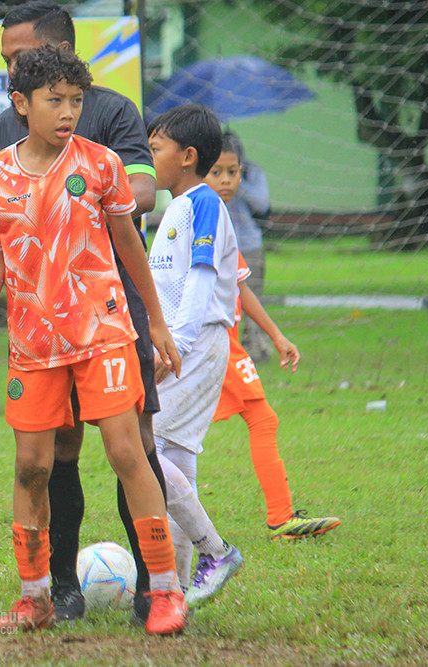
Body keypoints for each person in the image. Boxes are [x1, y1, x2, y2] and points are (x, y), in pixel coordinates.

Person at [0, 45, 187, 636]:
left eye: (76, 100)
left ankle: (168, 591)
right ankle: (35, 599)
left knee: (127, 450)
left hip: (103, 332)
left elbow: (129, 244)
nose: (68, 111)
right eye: (55, 100)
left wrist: (154, 320)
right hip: (33, 347)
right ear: (21, 104)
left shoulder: (100, 164)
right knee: (31, 468)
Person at [0, 0, 165, 625]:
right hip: (38, 330)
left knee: (131, 442)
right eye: (11, 69)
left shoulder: (110, 117)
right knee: (49, 456)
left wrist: (93, 192)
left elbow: (137, 194)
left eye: (17, 58)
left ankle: (154, 586)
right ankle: (58, 589)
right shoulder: (6, 134)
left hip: (111, 311)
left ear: (55, 49)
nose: (10, 72)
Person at [205, 137, 341, 539]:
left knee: (253, 420)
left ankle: (279, 516)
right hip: (212, 342)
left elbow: (241, 288)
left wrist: (277, 336)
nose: (226, 181)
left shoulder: (219, 218)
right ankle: (279, 517)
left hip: (220, 341)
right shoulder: (205, 217)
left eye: (233, 173)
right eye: (217, 172)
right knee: (255, 420)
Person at [146, 104, 245, 606]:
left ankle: (216, 551)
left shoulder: (204, 204)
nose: (149, 156)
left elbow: (202, 281)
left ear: (186, 156)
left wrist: (176, 347)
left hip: (196, 344)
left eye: (155, 148)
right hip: (184, 346)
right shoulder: (176, 209)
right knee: (177, 457)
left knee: (148, 451)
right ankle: (178, 588)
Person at [221, 131, 272, 363]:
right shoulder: (210, 175)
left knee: (253, 298)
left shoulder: (252, 172)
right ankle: (227, 350)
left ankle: (256, 348)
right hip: (220, 248)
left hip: (249, 245)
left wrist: (236, 181)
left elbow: (262, 203)